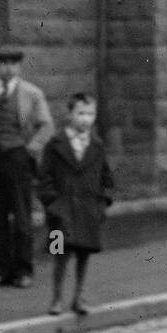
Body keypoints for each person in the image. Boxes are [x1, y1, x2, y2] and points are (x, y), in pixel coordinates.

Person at [0, 44, 53, 289]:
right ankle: (0, 271)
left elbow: (46, 126)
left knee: (21, 216)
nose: (7, 68)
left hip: (18, 158)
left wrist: (30, 149)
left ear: (18, 66)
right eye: (2, 63)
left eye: (12, 63)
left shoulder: (32, 93)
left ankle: (24, 271)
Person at [38, 92, 114, 316]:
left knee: (83, 254)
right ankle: (56, 299)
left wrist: (102, 204)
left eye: (90, 114)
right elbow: (44, 178)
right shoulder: (55, 144)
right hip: (61, 211)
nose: (85, 119)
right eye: (80, 113)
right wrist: (52, 203)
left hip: (88, 211)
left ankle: (78, 297)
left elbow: (106, 178)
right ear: (70, 114)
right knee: (60, 255)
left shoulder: (97, 146)